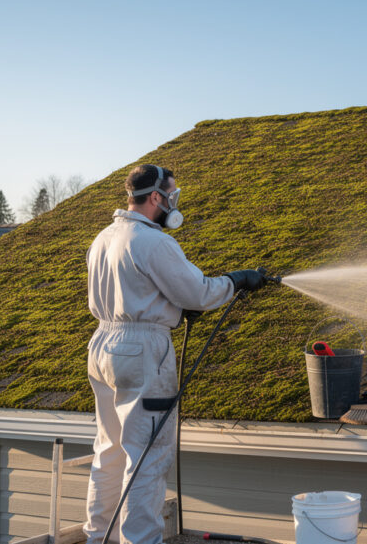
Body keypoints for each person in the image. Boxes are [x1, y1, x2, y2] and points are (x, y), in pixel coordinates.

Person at [84, 164, 265, 544]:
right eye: (171, 196)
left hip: (102, 344)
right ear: (155, 198)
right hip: (142, 351)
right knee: (148, 455)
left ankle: (98, 536)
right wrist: (236, 280)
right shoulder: (154, 241)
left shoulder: (104, 237)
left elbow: (142, 288)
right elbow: (197, 292)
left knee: (110, 451)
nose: (173, 204)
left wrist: (173, 308)